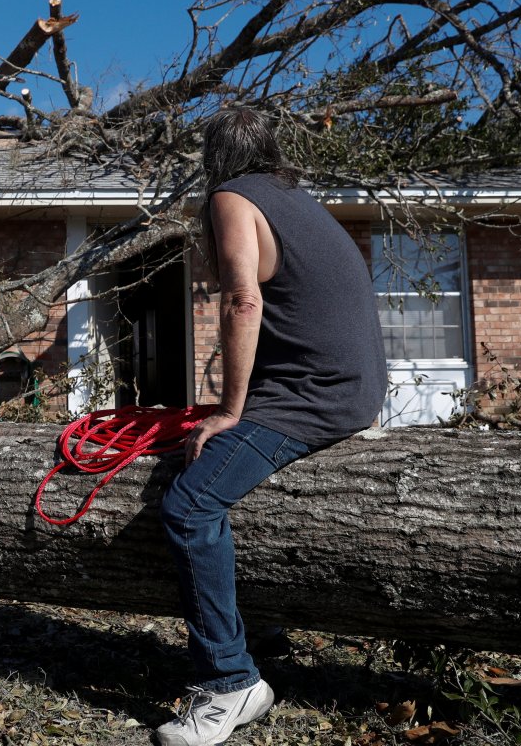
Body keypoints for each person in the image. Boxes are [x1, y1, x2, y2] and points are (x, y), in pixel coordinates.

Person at [154, 107, 387, 746]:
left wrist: (231, 411)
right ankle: (249, 643)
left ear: (213, 159)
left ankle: (231, 681)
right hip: (348, 389)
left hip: (312, 396)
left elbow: (242, 299)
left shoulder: (232, 198)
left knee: (190, 505)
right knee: (199, 472)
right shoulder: (292, 197)